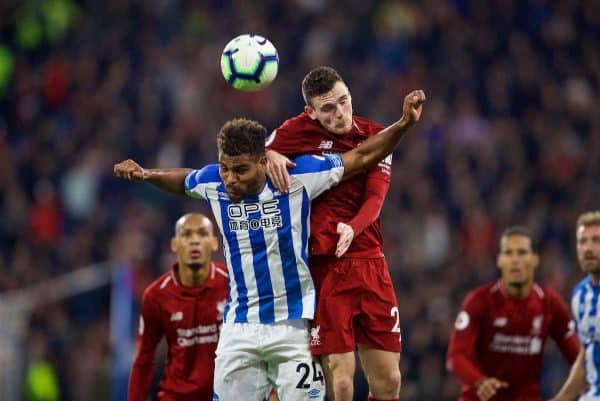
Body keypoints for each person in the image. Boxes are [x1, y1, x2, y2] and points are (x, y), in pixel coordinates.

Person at [114, 88, 425, 401]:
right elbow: (182, 180)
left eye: (240, 170)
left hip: (293, 329)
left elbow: (360, 157)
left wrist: (402, 125)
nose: (230, 179)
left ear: (264, 162)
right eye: (225, 168)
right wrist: (145, 174)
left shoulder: (299, 177)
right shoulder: (214, 183)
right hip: (238, 329)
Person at [265, 66, 400, 401]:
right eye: (328, 108)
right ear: (311, 112)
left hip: (370, 263)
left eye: (344, 101)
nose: (340, 113)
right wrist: (270, 155)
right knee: (340, 384)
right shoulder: (295, 131)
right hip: (324, 268)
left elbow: (375, 198)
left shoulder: (374, 135)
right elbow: (254, 155)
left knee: (389, 383)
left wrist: (353, 228)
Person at [446, 226, 580, 401]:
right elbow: (456, 357)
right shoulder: (479, 300)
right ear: (499, 260)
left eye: (522, 252)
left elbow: (580, 360)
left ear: (535, 259)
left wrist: (563, 398)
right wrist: (480, 382)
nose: (515, 260)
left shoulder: (549, 303)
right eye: (508, 253)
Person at [127, 213, 228, 401]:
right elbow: (144, 358)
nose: (194, 241)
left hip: (226, 394)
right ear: (174, 244)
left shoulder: (233, 283)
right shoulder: (156, 295)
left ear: (214, 243)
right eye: (187, 234)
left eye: (202, 234)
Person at [548, 211, 600, 401]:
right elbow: (585, 356)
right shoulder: (579, 295)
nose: (588, 248)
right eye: (582, 241)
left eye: (596, 240)